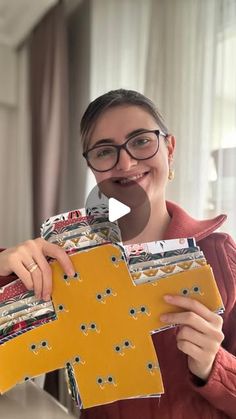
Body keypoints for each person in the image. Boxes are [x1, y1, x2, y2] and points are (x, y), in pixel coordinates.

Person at [0, 89, 235, 418]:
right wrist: (4, 263)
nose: (125, 163)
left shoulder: (221, 256)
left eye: (141, 141)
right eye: (105, 151)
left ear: (169, 148)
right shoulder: (68, 258)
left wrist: (214, 366)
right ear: (93, 168)